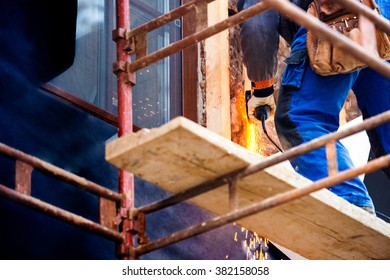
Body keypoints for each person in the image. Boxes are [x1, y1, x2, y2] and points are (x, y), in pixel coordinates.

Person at [239, 0, 390, 215]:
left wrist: (262, 90)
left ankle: (351, 205)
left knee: (303, 119)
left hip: (337, 15)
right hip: (384, 18)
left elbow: (258, 22)